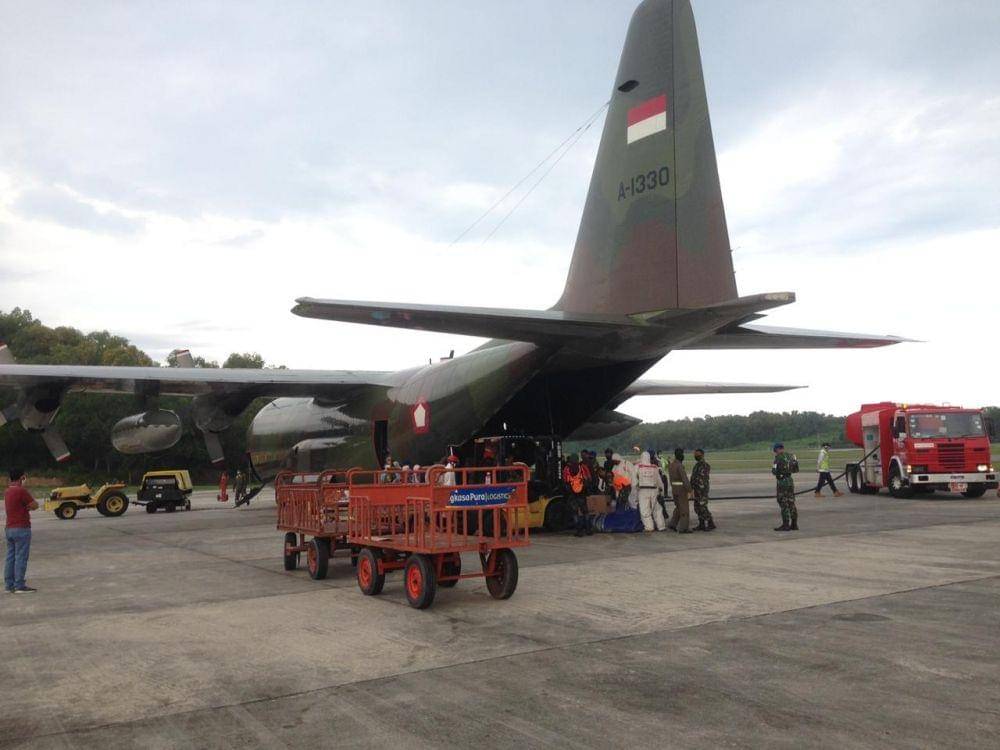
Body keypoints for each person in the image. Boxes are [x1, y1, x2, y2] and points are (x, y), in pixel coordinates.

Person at [5, 468, 38, 593]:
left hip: (9, 528)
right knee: (21, 557)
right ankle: (19, 585)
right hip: (21, 527)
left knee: (10, 557)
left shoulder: (8, 491)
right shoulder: (21, 491)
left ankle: (9, 585)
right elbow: (35, 505)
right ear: (22, 478)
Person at [562, 453, 592, 537]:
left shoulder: (566, 469)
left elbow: (564, 481)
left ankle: (579, 531)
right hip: (582, 493)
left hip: (572, 494)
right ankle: (588, 529)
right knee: (585, 512)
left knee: (575, 513)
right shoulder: (582, 467)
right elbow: (589, 478)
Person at [635, 451, 666, 532]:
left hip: (643, 490)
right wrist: (661, 492)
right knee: (657, 509)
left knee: (645, 509)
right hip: (654, 490)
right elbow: (659, 481)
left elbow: (634, 480)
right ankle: (661, 526)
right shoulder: (655, 467)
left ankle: (649, 527)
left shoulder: (638, 467)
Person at [772, 443, 800, 531]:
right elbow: (796, 469)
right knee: (791, 502)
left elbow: (774, 471)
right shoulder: (791, 456)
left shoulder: (778, 458)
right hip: (790, 481)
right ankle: (794, 524)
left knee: (783, 503)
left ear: (776, 449)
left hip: (782, 482)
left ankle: (786, 525)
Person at [666, 448, 693, 533]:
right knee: (684, 509)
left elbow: (670, 479)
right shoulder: (679, 466)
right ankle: (684, 528)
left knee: (678, 507)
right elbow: (684, 479)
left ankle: (672, 524)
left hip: (674, 489)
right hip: (681, 490)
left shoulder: (671, 465)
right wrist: (690, 489)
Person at [691, 448, 716, 531]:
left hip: (702, 490)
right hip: (697, 490)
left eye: (697, 454)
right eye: (695, 454)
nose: (696, 456)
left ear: (702, 455)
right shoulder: (697, 465)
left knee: (702, 507)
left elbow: (702, 478)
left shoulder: (705, 465)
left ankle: (710, 523)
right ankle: (701, 524)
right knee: (697, 507)